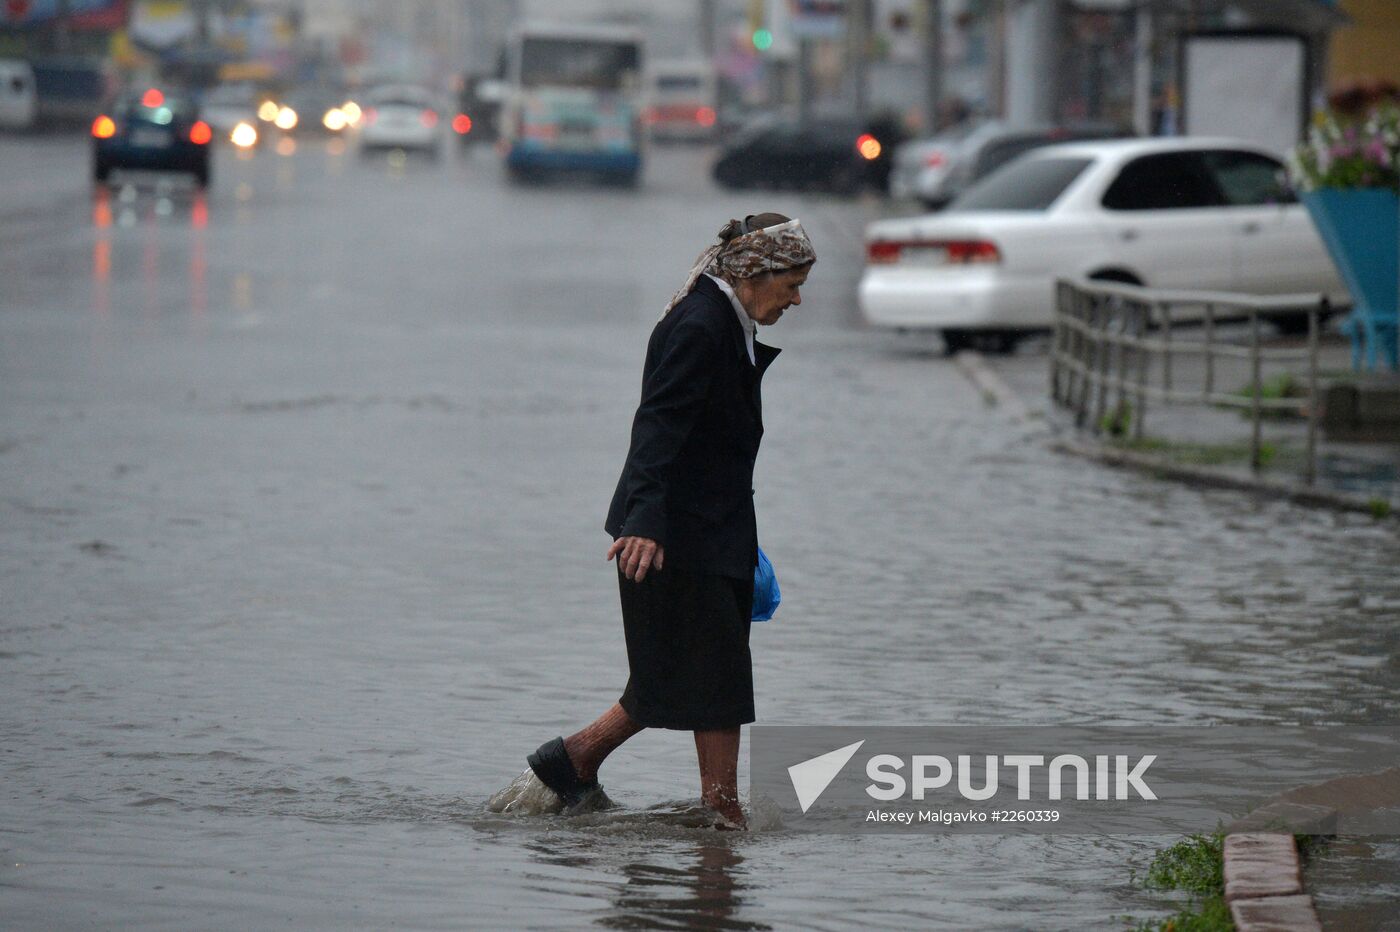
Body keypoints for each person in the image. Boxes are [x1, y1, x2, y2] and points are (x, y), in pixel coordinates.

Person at [523, 213, 816, 829]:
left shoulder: (724, 319)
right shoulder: (701, 324)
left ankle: (576, 762)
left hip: (709, 529)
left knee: (687, 676)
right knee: (710, 679)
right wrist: (646, 521)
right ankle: (720, 811)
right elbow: (657, 424)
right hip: (673, 537)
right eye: (791, 282)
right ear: (754, 272)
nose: (797, 297)